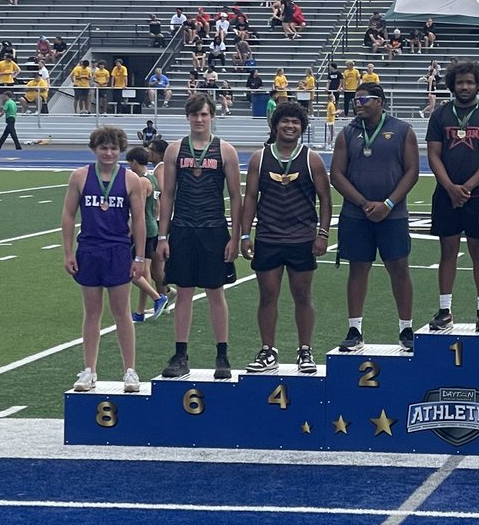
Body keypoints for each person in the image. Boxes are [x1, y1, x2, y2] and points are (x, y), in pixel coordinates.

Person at [240, 102, 332, 375]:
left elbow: (325, 199)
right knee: (268, 296)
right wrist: (246, 234)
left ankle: (305, 350)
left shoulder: (311, 158)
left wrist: (323, 234)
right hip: (268, 236)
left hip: (302, 237)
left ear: (302, 128)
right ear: (275, 125)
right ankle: (268, 350)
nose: (290, 126)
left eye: (295, 122)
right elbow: (250, 198)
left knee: (302, 295)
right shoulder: (259, 157)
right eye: (285, 122)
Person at [156, 95, 243, 380]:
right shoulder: (174, 150)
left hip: (214, 228)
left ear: (212, 117)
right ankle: (180, 354)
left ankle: (222, 354)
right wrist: (162, 236)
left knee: (216, 292)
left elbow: (235, 196)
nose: (199, 119)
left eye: (204, 114)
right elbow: (168, 194)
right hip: (182, 228)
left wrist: (235, 236)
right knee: (184, 292)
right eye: (194, 115)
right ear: (188, 117)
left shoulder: (226, 151)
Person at [330, 83, 419, 352]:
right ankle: (355, 329)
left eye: (364, 99)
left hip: (393, 215)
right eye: (356, 99)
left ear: (379, 101)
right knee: (358, 269)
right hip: (356, 214)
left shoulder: (402, 130)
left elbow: (412, 171)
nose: (358, 103)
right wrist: (364, 203)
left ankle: (406, 328)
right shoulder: (347, 133)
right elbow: (336, 175)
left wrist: (389, 203)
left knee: (399, 269)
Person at [61, 126, 147, 393]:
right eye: (103, 148)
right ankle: (89, 370)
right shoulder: (80, 176)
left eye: (113, 148)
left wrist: (140, 256)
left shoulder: (131, 179)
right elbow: (67, 215)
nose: (109, 153)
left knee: (122, 312)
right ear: (94, 149)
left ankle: (130, 371)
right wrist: (67, 252)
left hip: (119, 250)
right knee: (92, 312)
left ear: (120, 149)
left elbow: (140, 220)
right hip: (89, 249)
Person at [426, 61, 479, 333]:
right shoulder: (440, 115)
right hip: (446, 194)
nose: (464, 87)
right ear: (452, 85)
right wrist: (449, 186)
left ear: (478, 85)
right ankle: (445, 309)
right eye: (460, 82)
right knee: (447, 252)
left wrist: (468, 186)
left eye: (470, 82)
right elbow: (433, 154)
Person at [125, 147, 169, 322]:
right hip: (152, 226)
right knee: (145, 271)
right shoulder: (152, 178)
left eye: (130, 163)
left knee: (130, 269)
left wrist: (130, 231)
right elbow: (157, 205)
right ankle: (141, 311)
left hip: (143, 227)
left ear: (135, 162)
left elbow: (139, 211)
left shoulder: (143, 181)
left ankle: (157, 298)